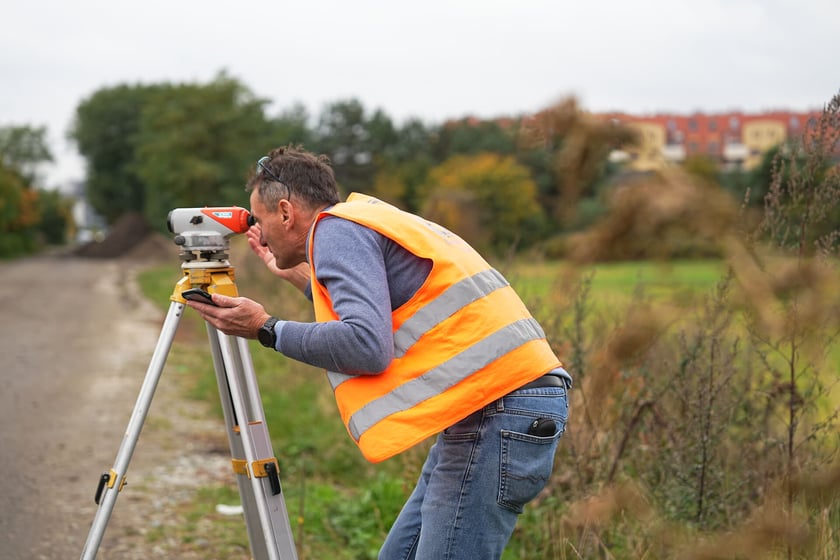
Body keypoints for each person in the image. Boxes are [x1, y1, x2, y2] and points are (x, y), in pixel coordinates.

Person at [187, 145, 572, 560]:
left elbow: (367, 346)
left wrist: (266, 329)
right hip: (495, 406)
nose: (257, 232)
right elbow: (381, 309)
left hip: (498, 410)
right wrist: (302, 280)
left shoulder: (335, 231)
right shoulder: (361, 218)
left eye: (259, 220)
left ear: (285, 211)